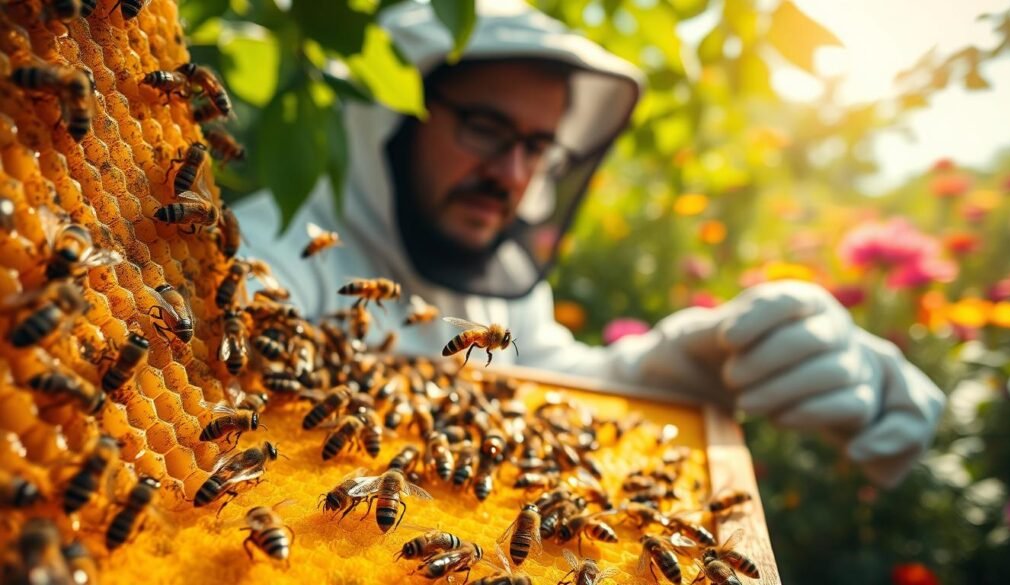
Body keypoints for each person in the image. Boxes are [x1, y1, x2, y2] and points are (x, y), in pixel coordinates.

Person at [235, 0, 945, 488]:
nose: (512, 175)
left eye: (538, 146)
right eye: (485, 126)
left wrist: (693, 361)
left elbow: (554, 385)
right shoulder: (268, 255)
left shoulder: (492, 281)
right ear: (389, 117)